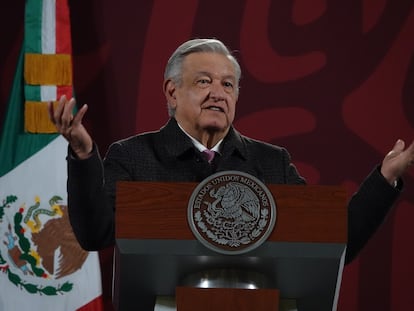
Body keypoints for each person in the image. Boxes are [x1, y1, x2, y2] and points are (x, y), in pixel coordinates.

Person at [49, 38, 414, 265]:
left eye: (228, 84)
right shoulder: (133, 156)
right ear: (172, 93)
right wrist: (83, 154)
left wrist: (385, 178)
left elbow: (335, 244)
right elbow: (94, 234)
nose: (218, 93)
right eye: (203, 81)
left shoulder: (271, 162)